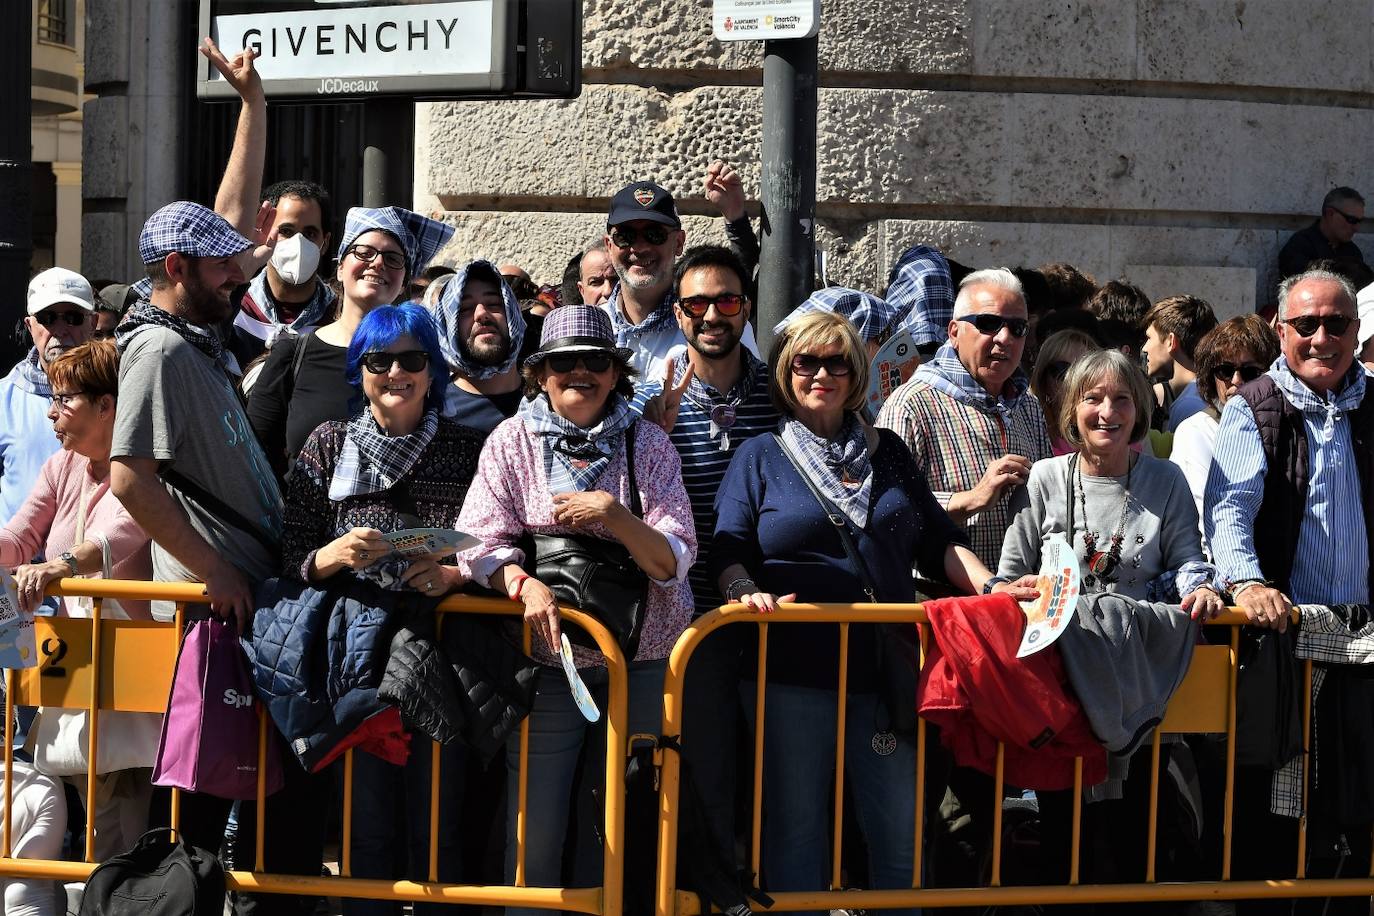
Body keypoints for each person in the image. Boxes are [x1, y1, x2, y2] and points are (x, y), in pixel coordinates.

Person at [711, 310, 1030, 913]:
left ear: (857, 373)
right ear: (787, 371)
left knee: (897, 836)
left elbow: (936, 542)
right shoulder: (760, 455)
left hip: (883, 674)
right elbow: (728, 548)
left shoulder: (891, 454)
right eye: (807, 362)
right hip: (790, 673)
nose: (822, 374)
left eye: (837, 362)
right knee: (796, 835)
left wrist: (995, 587)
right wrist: (741, 592)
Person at [456, 305, 694, 916]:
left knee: (618, 816)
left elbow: (673, 559)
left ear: (615, 374)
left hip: (640, 661)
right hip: (550, 660)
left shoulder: (650, 443)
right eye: (565, 364)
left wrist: (613, 515)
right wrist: (522, 584)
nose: (580, 375)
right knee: (533, 821)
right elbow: (477, 541)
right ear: (541, 375)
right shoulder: (511, 440)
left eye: (595, 362)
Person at [281, 304, 485, 914]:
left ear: (433, 371)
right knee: (366, 823)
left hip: (443, 652)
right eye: (379, 360)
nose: (395, 372)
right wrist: (335, 553)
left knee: (437, 821)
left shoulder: (467, 447)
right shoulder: (328, 444)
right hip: (358, 655)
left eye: (412, 360)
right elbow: (291, 558)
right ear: (359, 369)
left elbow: (499, 545)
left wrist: (451, 575)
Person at [995, 347, 1222, 890]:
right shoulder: (1045, 478)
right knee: (1062, 835)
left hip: (1138, 678)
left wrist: (1202, 589)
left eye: (1121, 399)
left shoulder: (1165, 481)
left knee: (1132, 833)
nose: (1107, 411)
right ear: (1072, 410)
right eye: (1093, 398)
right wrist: (1022, 591)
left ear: (1139, 409)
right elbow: (1009, 576)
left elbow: (1188, 560)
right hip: (1060, 682)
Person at [109, 201, 282, 865]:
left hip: (227, 604)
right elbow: (131, 480)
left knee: (213, 804)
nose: (239, 275)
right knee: (193, 810)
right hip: (206, 610)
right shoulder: (156, 349)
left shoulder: (192, 342)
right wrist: (214, 569)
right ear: (178, 268)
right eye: (222, 266)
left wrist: (254, 107)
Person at [1205, 268, 1373, 915]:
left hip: (1364, 646)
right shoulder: (1256, 404)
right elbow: (1229, 509)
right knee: (1283, 805)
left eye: (1337, 323)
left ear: (1357, 331)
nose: (1322, 337)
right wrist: (1246, 581)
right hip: (1285, 649)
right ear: (1281, 329)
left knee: (1357, 805)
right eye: (1307, 324)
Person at [0, 339, 159, 862]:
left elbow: (120, 535)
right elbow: (21, 535)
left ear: (107, 405)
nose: (52, 411)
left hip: (136, 673)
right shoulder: (61, 466)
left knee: (128, 817)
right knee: (96, 813)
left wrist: (59, 566)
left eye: (64, 399)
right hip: (80, 666)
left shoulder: (145, 469)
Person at [652, 245, 778, 870]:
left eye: (726, 301)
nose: (712, 315)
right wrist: (653, 427)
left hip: (769, 610)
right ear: (677, 314)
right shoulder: (654, 399)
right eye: (696, 303)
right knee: (705, 768)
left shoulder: (781, 392)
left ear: (745, 308)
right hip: (686, 617)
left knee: (773, 771)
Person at [247, 205, 455, 481]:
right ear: (341, 267)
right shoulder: (293, 354)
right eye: (364, 253)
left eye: (392, 258)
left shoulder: (424, 360)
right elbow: (253, 459)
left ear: (404, 280)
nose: (377, 263)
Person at [876, 268, 1053, 569]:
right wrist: (970, 500)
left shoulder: (1028, 406)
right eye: (988, 324)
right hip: (939, 602)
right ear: (954, 332)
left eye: (1018, 328)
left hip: (1022, 599)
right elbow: (885, 514)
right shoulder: (912, 404)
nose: (1005, 338)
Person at [198, 38, 339, 370]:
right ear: (264, 230)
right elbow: (230, 216)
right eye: (286, 231)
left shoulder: (343, 315)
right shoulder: (229, 307)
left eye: (310, 232)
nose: (298, 242)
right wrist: (252, 103)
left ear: (326, 242)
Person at [600, 181, 759, 378]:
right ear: (609, 245)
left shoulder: (716, 326)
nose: (639, 248)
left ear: (679, 242)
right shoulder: (592, 326)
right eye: (625, 236)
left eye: (654, 235)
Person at [0, 268, 95, 525]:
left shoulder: (118, 391)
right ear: (30, 326)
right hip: (19, 561)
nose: (61, 329)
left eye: (73, 317)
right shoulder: (4, 398)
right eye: (48, 318)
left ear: (93, 323)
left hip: (99, 559)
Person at [1169, 316, 1279, 534]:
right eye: (1225, 371)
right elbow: (1210, 515)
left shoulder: (1284, 427)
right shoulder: (1195, 431)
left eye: (1251, 373)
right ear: (1212, 376)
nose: (1237, 381)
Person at [429, 259, 531, 435]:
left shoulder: (548, 401)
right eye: (465, 308)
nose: (481, 314)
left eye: (493, 304)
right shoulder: (432, 412)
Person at [1140, 294, 1219, 432]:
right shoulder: (1207, 393)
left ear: (1171, 341)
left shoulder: (1189, 406)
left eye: (1149, 338)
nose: (1145, 348)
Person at [1029, 328, 1101, 455]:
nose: (1073, 380)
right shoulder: (1030, 434)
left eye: (1084, 371)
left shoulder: (1118, 432)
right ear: (1043, 381)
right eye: (1062, 370)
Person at [1278, 187, 1367, 280]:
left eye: (1360, 221)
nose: (1356, 228)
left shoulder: (1353, 252)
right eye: (1351, 220)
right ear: (1330, 213)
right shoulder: (1300, 246)